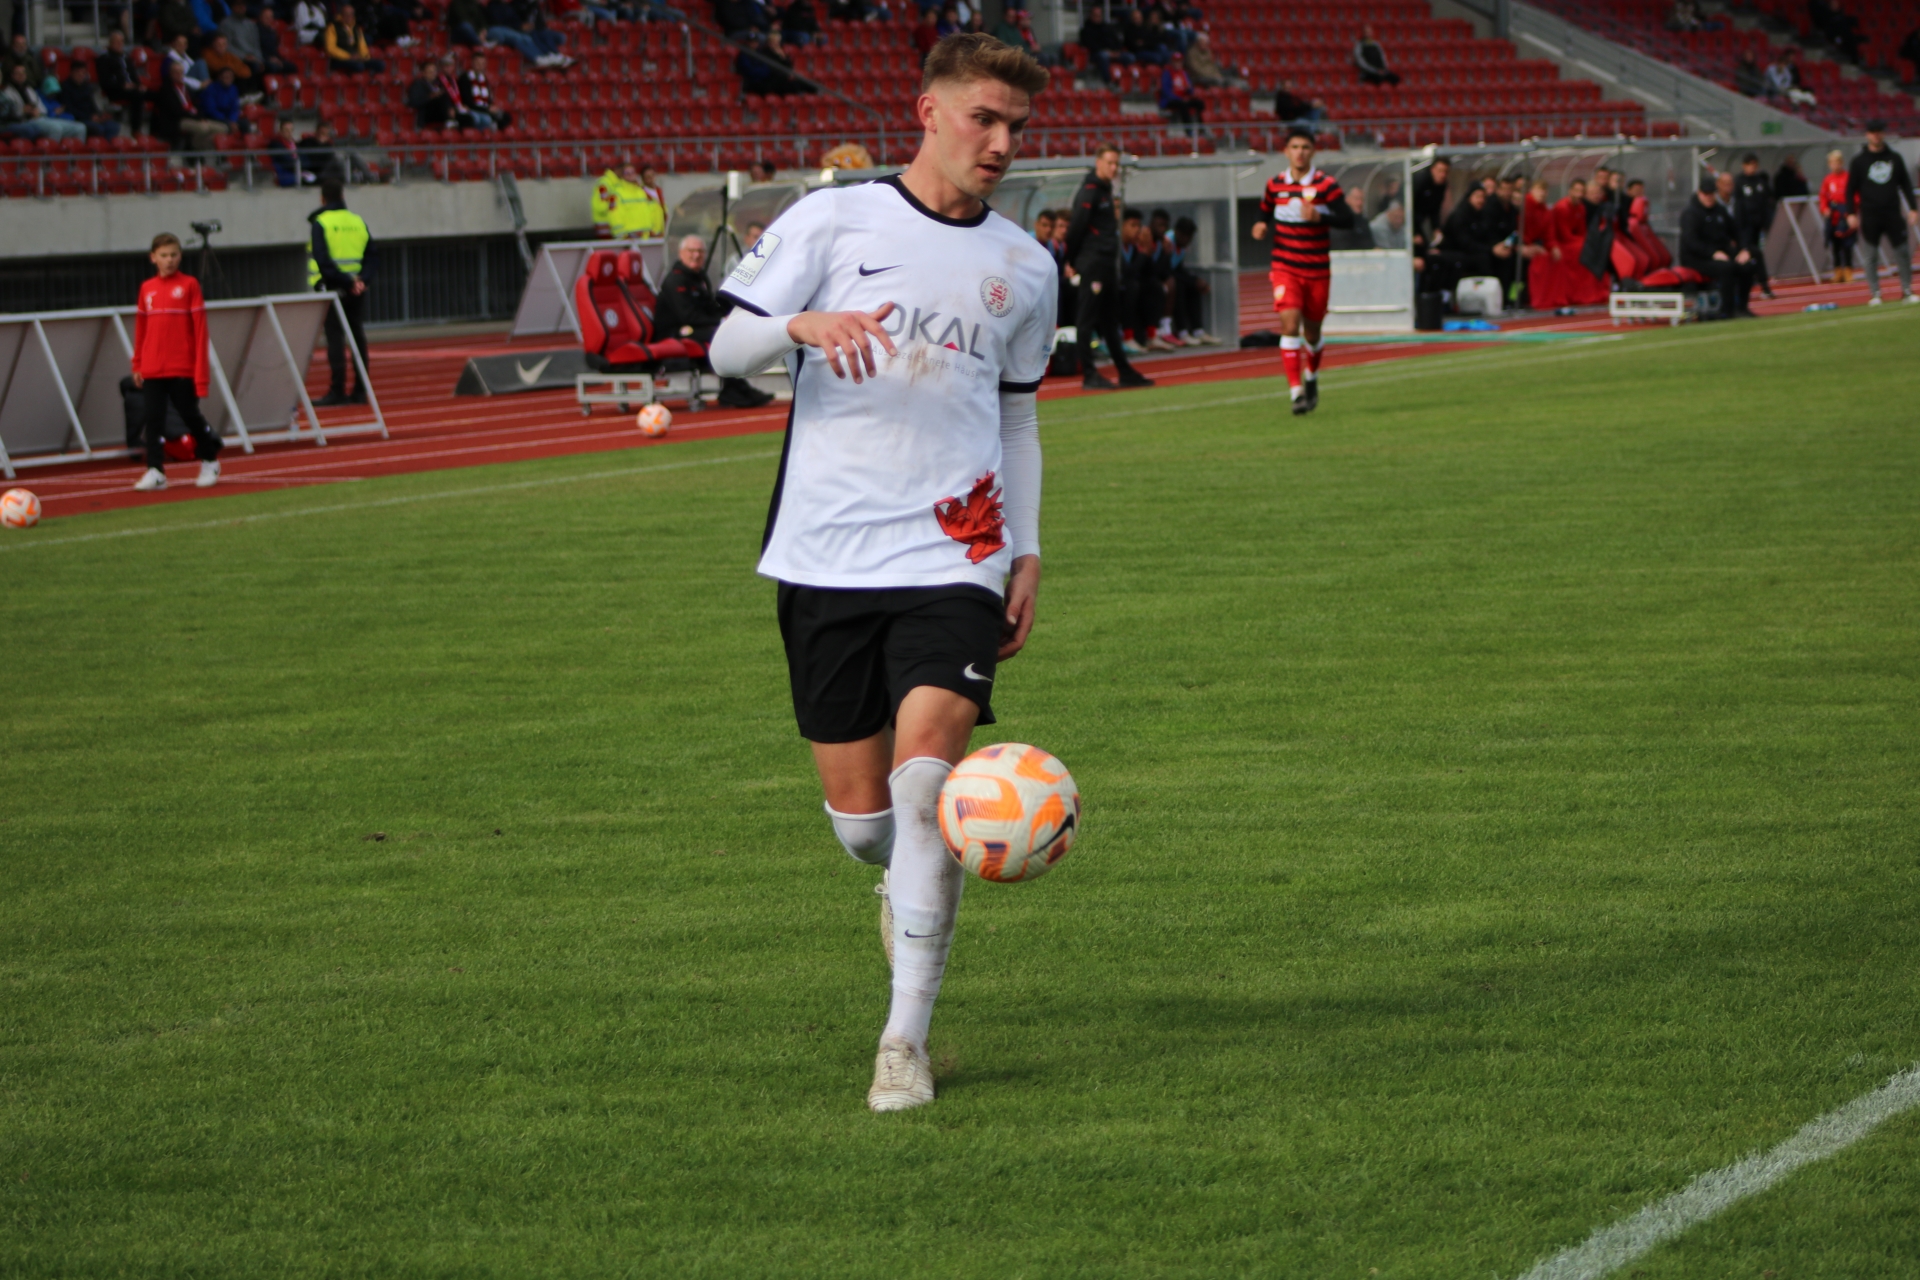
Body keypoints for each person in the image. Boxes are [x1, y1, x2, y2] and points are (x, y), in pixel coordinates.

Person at [703, 32, 1057, 1114]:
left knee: (925, 788)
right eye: (984, 118)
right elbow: (724, 349)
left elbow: (1017, 415)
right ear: (928, 111)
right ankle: (903, 886)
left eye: (1016, 126)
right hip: (826, 551)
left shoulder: (1026, 266)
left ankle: (903, 1041)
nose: (1000, 143)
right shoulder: (834, 218)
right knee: (867, 826)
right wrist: (798, 324)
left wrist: (1027, 547)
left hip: (957, 547)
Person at [1250, 126, 1353, 415]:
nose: (1300, 153)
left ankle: (1312, 376)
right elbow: (1264, 211)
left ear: (1313, 151)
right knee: (1289, 323)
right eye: (1295, 147)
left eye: (1305, 147)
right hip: (1285, 267)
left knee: (1313, 333)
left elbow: (1348, 219)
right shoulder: (1274, 184)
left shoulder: (1325, 185)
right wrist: (1260, 225)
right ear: (1286, 151)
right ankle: (1296, 392)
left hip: (1317, 270)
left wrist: (1321, 216)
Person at [130, 232, 223, 492]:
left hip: (181, 366)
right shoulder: (146, 288)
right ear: (153, 258)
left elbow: (200, 331)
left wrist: (200, 374)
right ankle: (155, 470)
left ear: (180, 256)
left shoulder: (190, 285)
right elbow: (141, 330)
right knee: (153, 419)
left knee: (189, 416)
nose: (169, 260)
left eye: (173, 255)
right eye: (164, 255)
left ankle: (209, 460)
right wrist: (138, 363)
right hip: (152, 368)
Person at [1064, 143, 1152, 390]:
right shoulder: (1090, 192)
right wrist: (1071, 260)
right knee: (1086, 319)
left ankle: (1124, 371)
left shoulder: (1104, 191)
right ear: (1098, 163)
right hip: (1093, 264)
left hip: (1105, 265)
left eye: (1117, 164)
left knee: (1110, 321)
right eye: (1110, 163)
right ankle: (1089, 374)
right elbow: (1076, 227)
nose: (1114, 168)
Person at [654, 234, 775, 409]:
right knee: (721, 336)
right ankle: (733, 389)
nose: (696, 255)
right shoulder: (675, 280)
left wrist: (729, 316)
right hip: (676, 331)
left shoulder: (698, 277)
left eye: (700, 251)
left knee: (729, 331)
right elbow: (687, 316)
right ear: (681, 253)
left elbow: (709, 306)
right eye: (691, 251)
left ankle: (737, 387)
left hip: (696, 327)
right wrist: (719, 321)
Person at [309, 177, 374, 405]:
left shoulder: (321, 222)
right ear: (343, 196)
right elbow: (372, 256)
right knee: (357, 337)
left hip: (333, 287)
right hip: (357, 289)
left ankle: (337, 390)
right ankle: (360, 391)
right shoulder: (358, 221)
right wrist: (361, 281)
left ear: (323, 199)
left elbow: (323, 261)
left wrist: (346, 282)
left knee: (335, 338)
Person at [1846, 121, 1918, 304]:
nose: (1876, 136)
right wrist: (1851, 213)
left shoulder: (1894, 158)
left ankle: (1907, 289)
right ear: (1867, 135)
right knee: (1870, 255)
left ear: (1883, 134)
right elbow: (1850, 189)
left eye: (1879, 132)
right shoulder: (1859, 161)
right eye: (1873, 132)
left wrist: (1913, 208)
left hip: (1892, 212)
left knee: (1902, 251)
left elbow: (1906, 184)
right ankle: (1875, 293)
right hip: (1870, 214)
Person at [1679, 177, 1753, 319]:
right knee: (1726, 268)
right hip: (1695, 258)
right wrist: (1712, 253)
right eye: (1705, 194)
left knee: (1747, 265)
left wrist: (1744, 249)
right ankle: (1727, 311)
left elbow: (1736, 230)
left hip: (1719, 253)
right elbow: (1691, 242)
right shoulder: (1691, 213)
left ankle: (1742, 308)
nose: (1709, 197)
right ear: (1699, 193)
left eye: (1711, 193)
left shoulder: (1719, 210)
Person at [150, 58, 224, 147]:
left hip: (193, 117)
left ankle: (200, 145)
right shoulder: (167, 90)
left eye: (181, 72)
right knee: (203, 128)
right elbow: (176, 111)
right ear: (170, 73)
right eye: (176, 72)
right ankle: (194, 145)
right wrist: (196, 118)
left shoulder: (185, 87)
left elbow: (196, 104)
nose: (179, 75)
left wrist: (200, 117)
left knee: (223, 128)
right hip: (178, 120)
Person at [2, 63, 87, 140]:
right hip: (25, 121)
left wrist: (38, 112)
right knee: (55, 128)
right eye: (18, 73)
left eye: (23, 73)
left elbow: (42, 108)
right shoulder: (7, 92)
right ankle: (50, 152)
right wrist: (23, 111)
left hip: (40, 118)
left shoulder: (29, 89)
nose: (21, 75)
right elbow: (7, 115)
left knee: (80, 128)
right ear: (12, 75)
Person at [1731, 153, 1775, 300]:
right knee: (1752, 254)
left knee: (1756, 254)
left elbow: (1767, 202)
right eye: (1749, 165)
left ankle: (1757, 284)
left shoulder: (1760, 182)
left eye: (1754, 165)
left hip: (1758, 226)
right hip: (1744, 227)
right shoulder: (1739, 183)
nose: (1752, 168)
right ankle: (1760, 285)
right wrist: (1739, 228)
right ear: (1744, 166)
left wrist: (1766, 222)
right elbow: (1738, 208)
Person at [96, 29, 148, 135]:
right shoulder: (104, 58)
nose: (120, 44)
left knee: (158, 94)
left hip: (132, 88)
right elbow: (105, 81)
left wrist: (139, 85)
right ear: (111, 42)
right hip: (116, 90)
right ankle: (136, 130)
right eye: (117, 41)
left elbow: (133, 75)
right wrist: (122, 85)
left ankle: (157, 130)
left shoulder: (126, 57)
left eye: (122, 41)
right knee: (137, 96)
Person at [1818, 147, 1855, 281]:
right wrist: (1824, 209)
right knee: (1835, 244)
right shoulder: (1828, 180)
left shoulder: (1848, 177)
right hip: (1833, 216)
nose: (1835, 165)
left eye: (1837, 162)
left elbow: (1855, 195)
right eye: (1832, 163)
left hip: (1845, 213)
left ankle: (1848, 270)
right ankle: (1838, 270)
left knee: (1847, 244)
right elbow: (1823, 196)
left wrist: (1851, 210)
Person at [61, 62, 119, 139]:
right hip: (79, 118)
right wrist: (89, 117)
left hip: (91, 117)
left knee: (113, 126)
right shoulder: (65, 87)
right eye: (78, 72)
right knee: (98, 128)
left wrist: (99, 115)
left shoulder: (86, 87)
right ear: (72, 73)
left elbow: (91, 104)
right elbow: (69, 108)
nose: (81, 75)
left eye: (83, 73)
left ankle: (107, 145)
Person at [324, 5, 385, 73]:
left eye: (351, 14)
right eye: (346, 14)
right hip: (340, 59)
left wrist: (363, 56)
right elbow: (330, 48)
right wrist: (348, 56)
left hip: (356, 58)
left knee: (380, 64)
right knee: (359, 66)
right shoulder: (332, 27)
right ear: (341, 15)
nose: (349, 16)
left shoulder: (356, 29)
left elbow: (362, 46)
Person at [1077, 5, 1129, 84]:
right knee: (1103, 56)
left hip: (1113, 52)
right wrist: (1107, 52)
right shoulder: (1086, 30)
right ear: (1090, 15)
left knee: (1129, 57)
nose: (1097, 17)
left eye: (1099, 15)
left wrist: (1116, 51)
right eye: (1095, 15)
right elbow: (1090, 45)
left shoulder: (1107, 27)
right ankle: (1108, 81)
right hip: (1096, 53)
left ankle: (1125, 81)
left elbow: (1116, 41)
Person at [1158, 50, 1201, 139]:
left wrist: (1189, 90)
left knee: (1199, 103)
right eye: (1176, 61)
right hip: (1171, 100)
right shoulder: (1167, 73)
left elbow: (1190, 89)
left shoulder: (1184, 73)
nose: (1178, 64)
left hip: (1183, 98)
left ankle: (1202, 128)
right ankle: (1189, 131)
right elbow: (1166, 91)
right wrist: (1179, 99)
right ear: (1172, 62)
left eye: (1180, 61)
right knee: (1183, 105)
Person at [217, 1, 266, 76]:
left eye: (243, 5)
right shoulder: (226, 24)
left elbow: (256, 45)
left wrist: (259, 59)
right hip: (236, 58)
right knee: (253, 67)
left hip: (253, 58)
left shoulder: (251, 24)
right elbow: (227, 46)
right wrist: (244, 57)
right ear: (233, 7)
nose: (241, 7)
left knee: (269, 66)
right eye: (238, 5)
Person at [267, 116, 315, 184]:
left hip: (299, 170)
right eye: (286, 130)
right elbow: (287, 162)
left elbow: (306, 159)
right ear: (281, 131)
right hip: (286, 174)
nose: (289, 132)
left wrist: (302, 167)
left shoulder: (295, 144)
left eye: (291, 130)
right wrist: (300, 166)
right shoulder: (276, 145)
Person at [1329, 185, 1375, 251]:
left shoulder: (1363, 221)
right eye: (1356, 199)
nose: (1359, 203)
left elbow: (1369, 244)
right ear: (1347, 200)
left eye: (1362, 199)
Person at [197, 64, 242, 129]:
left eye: (230, 77)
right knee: (228, 126)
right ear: (220, 77)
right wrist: (227, 120)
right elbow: (211, 109)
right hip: (214, 117)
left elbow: (234, 108)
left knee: (244, 124)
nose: (228, 79)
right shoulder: (211, 89)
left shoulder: (233, 89)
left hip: (228, 118)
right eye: (226, 77)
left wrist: (233, 120)